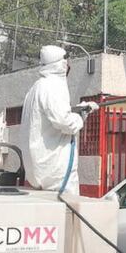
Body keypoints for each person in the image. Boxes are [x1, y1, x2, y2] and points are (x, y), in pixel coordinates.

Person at [20, 45, 97, 194]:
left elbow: (53, 116)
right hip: (55, 171)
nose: (68, 66)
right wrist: (81, 116)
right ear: (61, 64)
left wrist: (79, 110)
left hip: (39, 170)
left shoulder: (36, 87)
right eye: (66, 62)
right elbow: (64, 122)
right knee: (68, 212)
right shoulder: (53, 86)